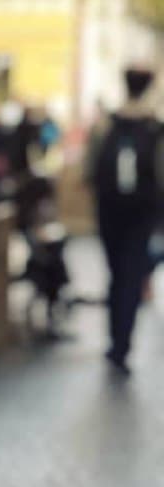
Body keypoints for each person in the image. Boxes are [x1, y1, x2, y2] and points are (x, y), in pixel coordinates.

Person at [86, 65, 163, 374]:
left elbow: (89, 168)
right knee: (132, 275)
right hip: (142, 214)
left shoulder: (106, 124)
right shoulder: (155, 128)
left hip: (109, 211)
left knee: (116, 273)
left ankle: (114, 340)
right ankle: (122, 344)